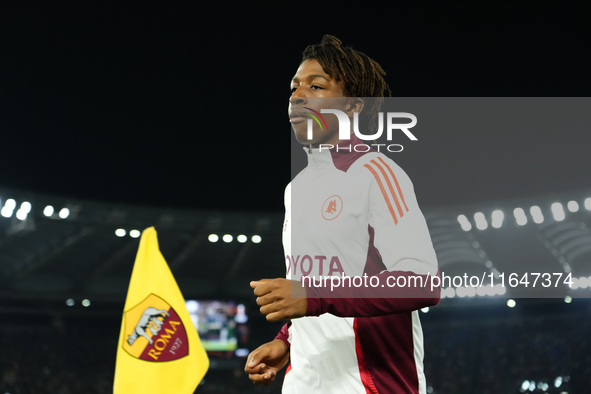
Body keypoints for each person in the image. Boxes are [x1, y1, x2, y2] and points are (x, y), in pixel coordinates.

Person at [245, 35, 440, 394]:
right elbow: (313, 278)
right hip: (304, 382)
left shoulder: (377, 173)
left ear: (352, 106)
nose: (296, 95)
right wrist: (285, 341)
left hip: (370, 385)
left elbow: (422, 282)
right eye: (294, 86)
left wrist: (313, 296)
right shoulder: (296, 189)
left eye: (315, 86)